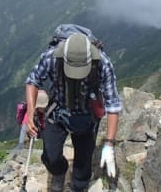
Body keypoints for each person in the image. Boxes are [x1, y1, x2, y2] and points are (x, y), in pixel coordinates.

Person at [25, 28, 122, 192]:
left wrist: (109, 144)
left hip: (87, 115)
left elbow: (113, 104)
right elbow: (32, 81)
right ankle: (59, 172)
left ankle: (79, 186)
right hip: (57, 112)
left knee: (83, 162)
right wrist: (30, 113)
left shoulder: (103, 63)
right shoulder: (51, 57)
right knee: (50, 156)